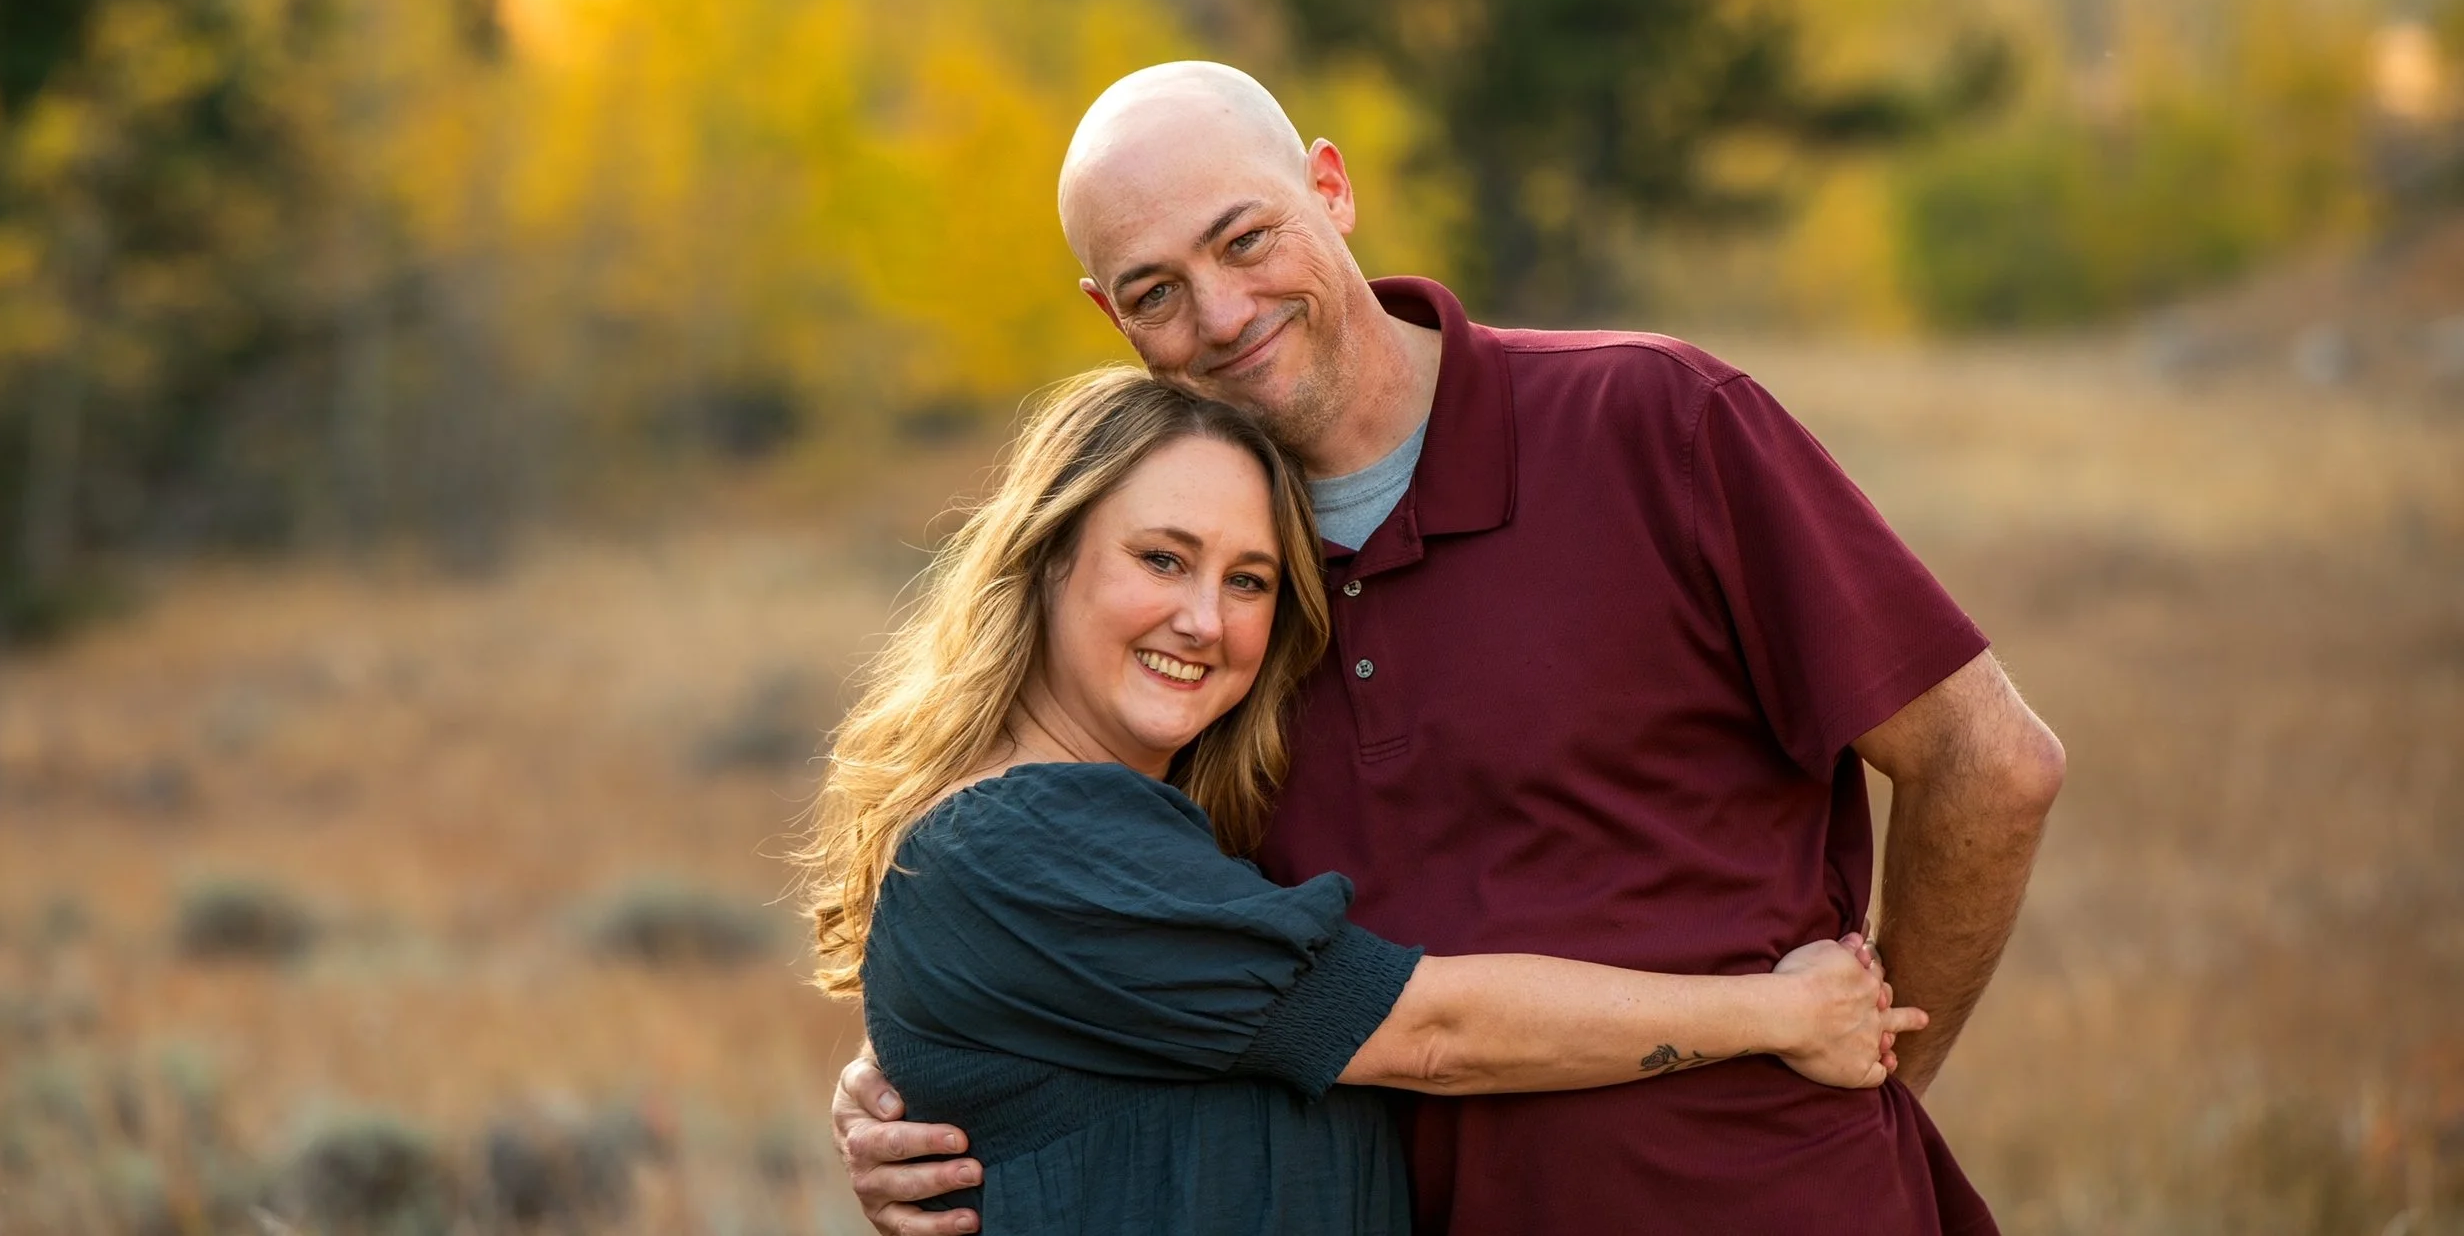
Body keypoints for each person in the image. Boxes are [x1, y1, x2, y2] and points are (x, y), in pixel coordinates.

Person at [835, 62, 2068, 1236]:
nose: (1221, 313)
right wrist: (926, 1075)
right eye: (1155, 290)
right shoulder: (1199, 621)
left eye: (1245, 237)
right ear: (1112, 318)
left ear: (1330, 187)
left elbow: (1991, 761)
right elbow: (1125, 918)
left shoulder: (1651, 422)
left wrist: (1860, 1078)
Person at [803, 366, 1926, 1236]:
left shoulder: (1137, 835)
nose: (1206, 618)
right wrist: (1781, 1016)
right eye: (1161, 558)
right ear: (1045, 559)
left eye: (1248, 580)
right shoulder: (1019, 842)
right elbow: (1430, 1033)